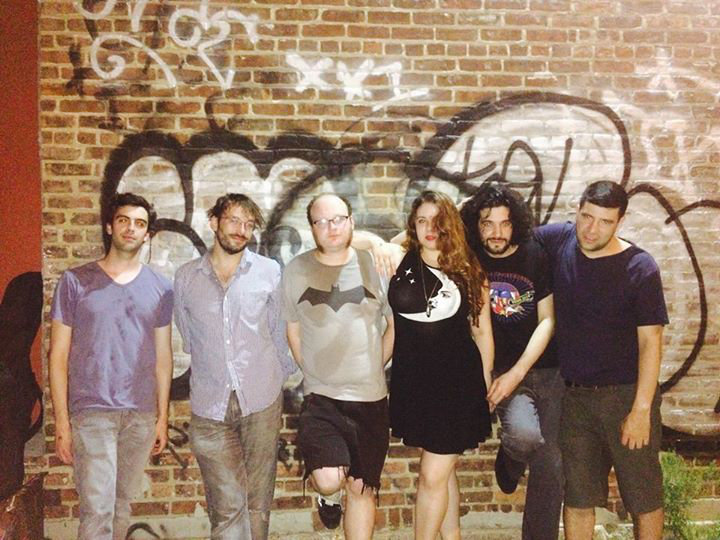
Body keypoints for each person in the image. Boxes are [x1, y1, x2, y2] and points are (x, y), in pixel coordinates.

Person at [535, 181, 668, 540]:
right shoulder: (560, 240)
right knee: (578, 498)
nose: (592, 229)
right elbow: (504, 236)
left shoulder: (640, 267)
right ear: (576, 210)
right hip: (575, 399)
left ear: (620, 222)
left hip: (626, 396)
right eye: (586, 217)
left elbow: (651, 341)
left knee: (643, 498)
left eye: (605, 221)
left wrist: (641, 410)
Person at [49, 192, 173, 540]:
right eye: (123, 221)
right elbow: (57, 356)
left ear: (147, 234)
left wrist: (162, 417)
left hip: (140, 414)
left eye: (139, 224)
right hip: (93, 411)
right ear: (109, 226)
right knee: (98, 510)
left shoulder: (161, 288)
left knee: (120, 508)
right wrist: (62, 422)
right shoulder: (75, 281)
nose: (131, 228)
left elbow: (163, 357)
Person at [174, 194, 295, 540]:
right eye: (233, 220)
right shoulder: (186, 277)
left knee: (257, 503)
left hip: (261, 400)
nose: (241, 230)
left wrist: (277, 378)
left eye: (248, 224)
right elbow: (188, 335)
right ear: (214, 222)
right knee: (226, 507)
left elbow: (279, 330)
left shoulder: (269, 272)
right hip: (209, 405)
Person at [281, 193, 394, 539]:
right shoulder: (297, 269)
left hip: (371, 399)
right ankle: (327, 497)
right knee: (330, 479)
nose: (331, 227)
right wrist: (312, 371)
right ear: (312, 228)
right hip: (323, 398)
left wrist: (376, 363)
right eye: (321, 221)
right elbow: (292, 329)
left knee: (361, 488)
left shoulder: (375, 265)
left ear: (351, 221)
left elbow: (395, 325)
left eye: (338, 219)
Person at [460, 184, 564, 540]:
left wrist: (518, 373)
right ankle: (510, 458)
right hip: (501, 371)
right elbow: (417, 231)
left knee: (551, 464)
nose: (497, 233)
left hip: (546, 369)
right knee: (523, 437)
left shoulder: (534, 253)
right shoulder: (470, 256)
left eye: (505, 223)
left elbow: (547, 320)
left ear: (515, 223)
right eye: (487, 223)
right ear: (476, 225)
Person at [388, 190, 493, 540]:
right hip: (415, 383)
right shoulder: (400, 259)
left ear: (450, 223)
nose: (430, 228)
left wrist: (485, 383)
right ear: (412, 225)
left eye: (438, 220)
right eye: (422, 220)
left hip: (456, 386)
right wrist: (376, 244)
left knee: (431, 476)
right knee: (442, 473)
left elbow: (482, 333)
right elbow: (357, 240)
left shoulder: (468, 270)